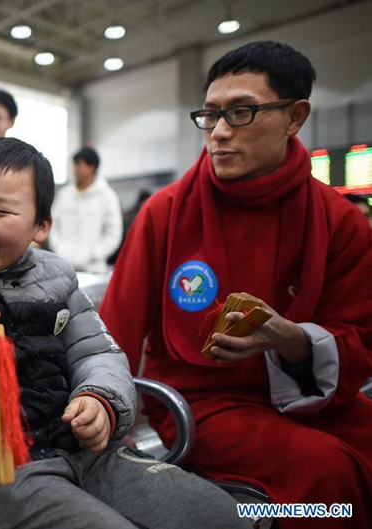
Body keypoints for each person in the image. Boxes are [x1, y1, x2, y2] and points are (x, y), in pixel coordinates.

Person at [0, 137, 249, 529]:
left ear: (41, 225)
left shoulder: (57, 278)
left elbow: (98, 355)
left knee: (219, 515)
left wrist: (101, 401)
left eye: (1, 212)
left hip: (78, 447)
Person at [100, 41, 372, 529]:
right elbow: (113, 335)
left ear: (295, 116)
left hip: (313, 400)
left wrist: (294, 340)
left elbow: (360, 344)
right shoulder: (165, 213)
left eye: (242, 112)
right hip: (201, 401)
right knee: (326, 473)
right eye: (210, 116)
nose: (219, 134)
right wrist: (107, 416)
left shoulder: (341, 223)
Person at [49, 147, 123, 273]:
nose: (75, 170)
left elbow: (114, 232)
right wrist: (59, 249)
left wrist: (95, 254)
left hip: (93, 269)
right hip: (63, 267)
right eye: (75, 165)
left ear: (92, 167)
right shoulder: (64, 195)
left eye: (79, 165)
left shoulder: (107, 196)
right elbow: (52, 224)